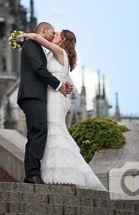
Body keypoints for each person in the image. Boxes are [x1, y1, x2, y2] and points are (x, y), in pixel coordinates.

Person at [21, 27, 107, 191]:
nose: (54, 35)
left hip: (53, 98)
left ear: (63, 41)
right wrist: (65, 85)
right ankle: (60, 175)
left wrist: (22, 36)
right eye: (53, 33)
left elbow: (38, 39)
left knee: (54, 131)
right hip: (52, 96)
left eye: (57, 34)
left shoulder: (60, 51)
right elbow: (62, 77)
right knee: (51, 132)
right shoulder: (57, 55)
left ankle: (66, 175)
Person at [17, 21, 69, 184]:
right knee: (38, 131)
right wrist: (58, 85)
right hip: (32, 95)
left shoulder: (37, 47)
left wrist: (63, 82)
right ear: (44, 30)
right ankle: (32, 174)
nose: (53, 36)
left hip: (36, 95)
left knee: (37, 132)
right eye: (52, 33)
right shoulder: (31, 44)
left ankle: (33, 173)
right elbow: (39, 69)